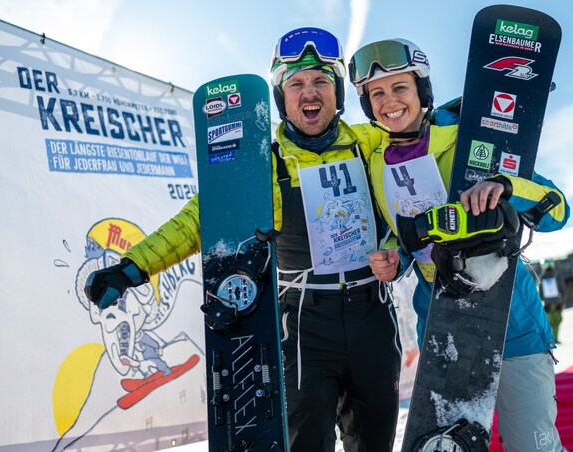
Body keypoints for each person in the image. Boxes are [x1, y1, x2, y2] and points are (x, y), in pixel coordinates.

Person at [85, 27, 402, 452]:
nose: (310, 93)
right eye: (296, 84)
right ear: (280, 96)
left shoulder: (372, 143)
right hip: (305, 322)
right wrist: (131, 268)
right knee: (307, 442)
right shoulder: (262, 160)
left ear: (338, 91)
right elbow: (201, 219)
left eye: (321, 81)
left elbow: (427, 149)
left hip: (373, 316)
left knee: (377, 441)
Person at [348, 38, 570, 451]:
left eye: (400, 88)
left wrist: (505, 186)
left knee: (532, 445)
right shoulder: (377, 164)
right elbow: (404, 235)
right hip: (442, 324)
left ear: (422, 92)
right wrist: (393, 258)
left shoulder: (472, 140)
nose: (388, 101)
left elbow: (557, 209)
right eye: (376, 93)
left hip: (509, 321)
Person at [540, 259, 566, 342]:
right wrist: (563, 300)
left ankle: (550, 339)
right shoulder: (557, 275)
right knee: (557, 321)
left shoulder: (542, 276)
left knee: (549, 322)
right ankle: (556, 338)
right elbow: (562, 289)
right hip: (558, 302)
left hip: (547, 304)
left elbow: (541, 293)